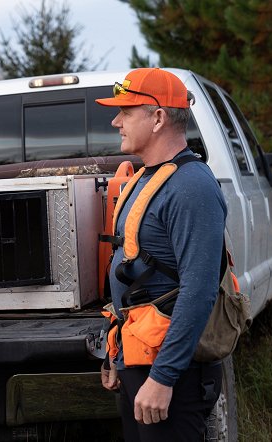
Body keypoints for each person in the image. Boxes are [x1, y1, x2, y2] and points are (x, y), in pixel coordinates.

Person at [96, 68, 227, 441]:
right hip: (140, 361)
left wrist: (163, 377)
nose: (116, 121)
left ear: (157, 118)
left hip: (173, 373)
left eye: (126, 111)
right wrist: (117, 354)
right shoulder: (147, 178)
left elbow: (199, 291)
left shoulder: (191, 187)